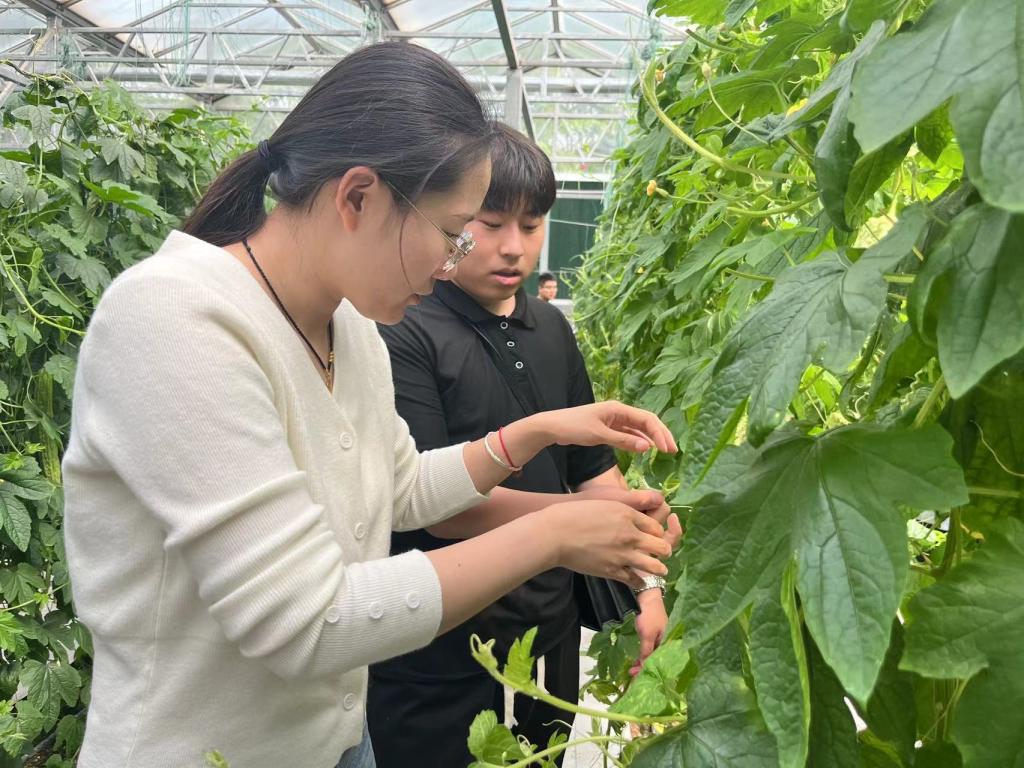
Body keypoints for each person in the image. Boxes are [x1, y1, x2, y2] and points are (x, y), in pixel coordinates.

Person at [60, 42, 679, 768]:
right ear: (358, 197)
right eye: (451, 234)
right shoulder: (174, 319)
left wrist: (534, 432)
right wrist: (555, 533)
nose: (451, 264)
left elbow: (403, 485)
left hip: (339, 741)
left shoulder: (350, 326)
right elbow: (305, 618)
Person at [368, 125, 679, 768]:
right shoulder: (404, 327)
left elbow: (593, 470)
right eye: (490, 223)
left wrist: (647, 584)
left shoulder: (552, 331)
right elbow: (433, 504)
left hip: (548, 633)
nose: (513, 247)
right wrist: (580, 523)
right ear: (454, 216)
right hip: (439, 648)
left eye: (532, 225)